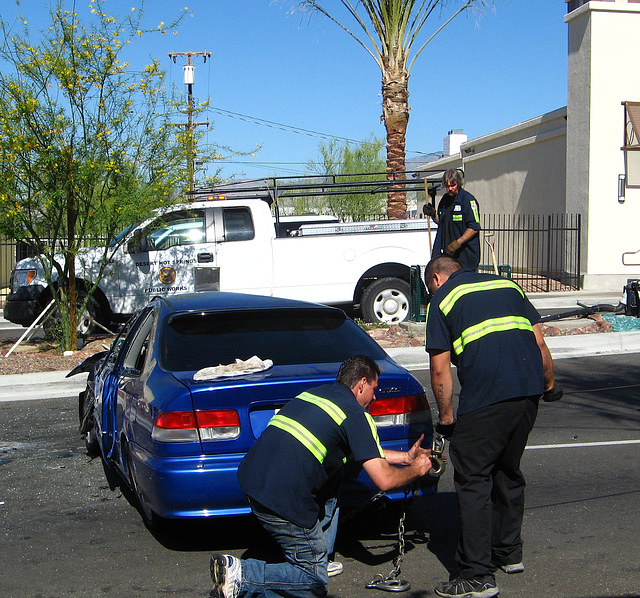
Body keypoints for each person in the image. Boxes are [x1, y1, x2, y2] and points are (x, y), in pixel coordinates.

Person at [210, 354, 433, 598]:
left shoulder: (315, 395)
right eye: (374, 389)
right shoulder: (355, 414)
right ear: (361, 384)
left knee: (335, 470)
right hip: (282, 496)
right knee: (313, 582)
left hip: (251, 480)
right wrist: (416, 469)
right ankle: (241, 574)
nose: (375, 397)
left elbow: (368, 453)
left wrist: (405, 458)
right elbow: (384, 480)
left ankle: (312, 558)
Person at [423, 256, 562, 598]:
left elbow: (440, 369)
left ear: (437, 279)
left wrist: (447, 418)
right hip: (526, 395)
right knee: (507, 470)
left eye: (429, 288)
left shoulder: (442, 299)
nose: (430, 293)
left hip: (486, 400)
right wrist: (548, 386)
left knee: (473, 480)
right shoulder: (507, 284)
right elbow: (539, 343)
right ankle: (509, 552)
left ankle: (476, 575)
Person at [424, 169, 481, 271]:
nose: (450, 188)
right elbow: (441, 222)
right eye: (447, 186)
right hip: (447, 256)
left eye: (453, 185)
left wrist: (457, 243)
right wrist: (432, 214)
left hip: (464, 258)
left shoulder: (468, 200)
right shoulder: (445, 200)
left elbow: (474, 227)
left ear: (458, 183)